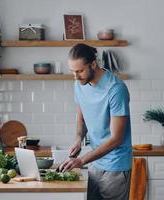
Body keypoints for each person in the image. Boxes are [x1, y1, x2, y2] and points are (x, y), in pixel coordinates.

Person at [58, 43, 132, 200]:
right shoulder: (79, 84)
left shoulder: (116, 89)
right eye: (73, 72)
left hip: (115, 166)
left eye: (80, 71)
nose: (76, 77)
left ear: (93, 64)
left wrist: (82, 160)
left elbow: (116, 139)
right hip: (95, 162)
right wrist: (78, 139)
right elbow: (81, 116)